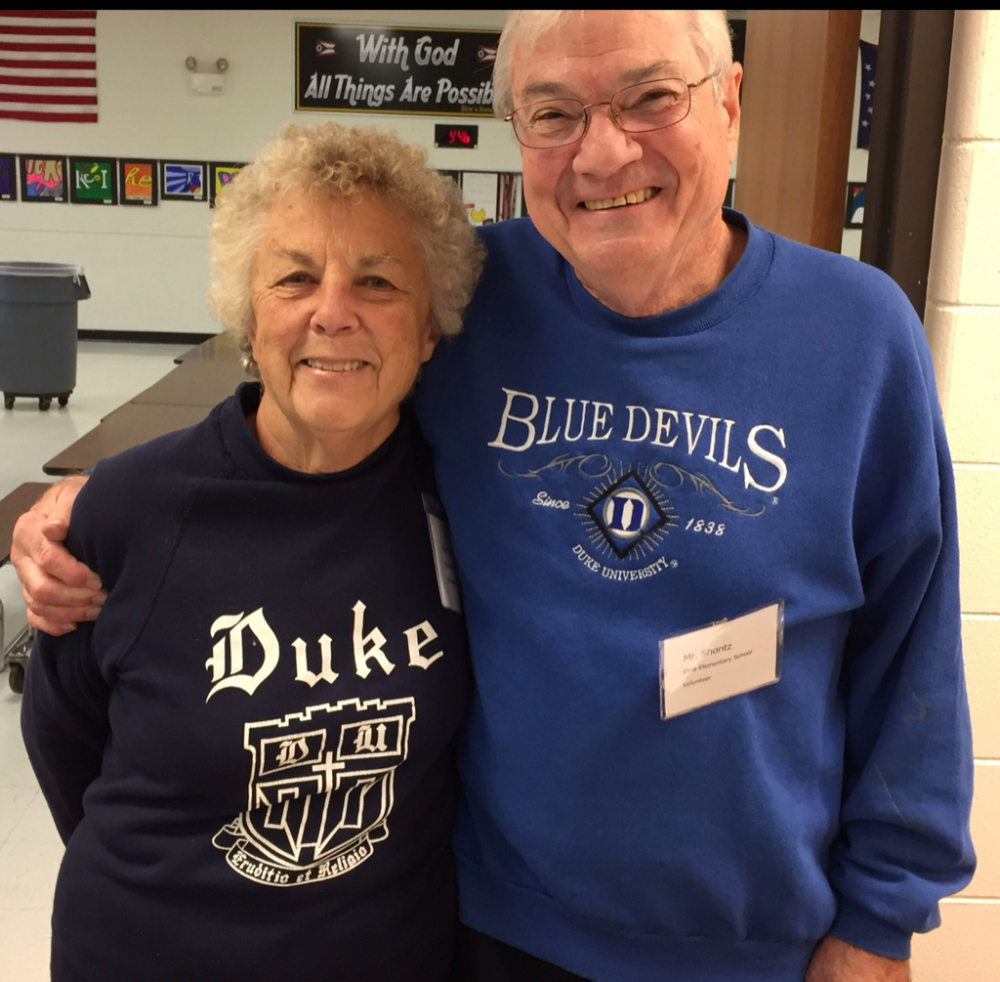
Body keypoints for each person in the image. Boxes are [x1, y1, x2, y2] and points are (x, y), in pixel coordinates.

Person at [14, 10, 975, 982]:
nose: (603, 152)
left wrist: (880, 920)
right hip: (487, 925)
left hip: (752, 942)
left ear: (727, 99)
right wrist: (108, 497)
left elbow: (911, 650)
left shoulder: (854, 335)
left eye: (649, 98)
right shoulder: (476, 294)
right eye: (552, 113)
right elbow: (317, 393)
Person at [18, 121, 482, 982]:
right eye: (296, 276)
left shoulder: (469, 498)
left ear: (428, 329)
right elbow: (62, 736)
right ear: (247, 312)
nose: (332, 311)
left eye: (378, 280)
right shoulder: (130, 509)